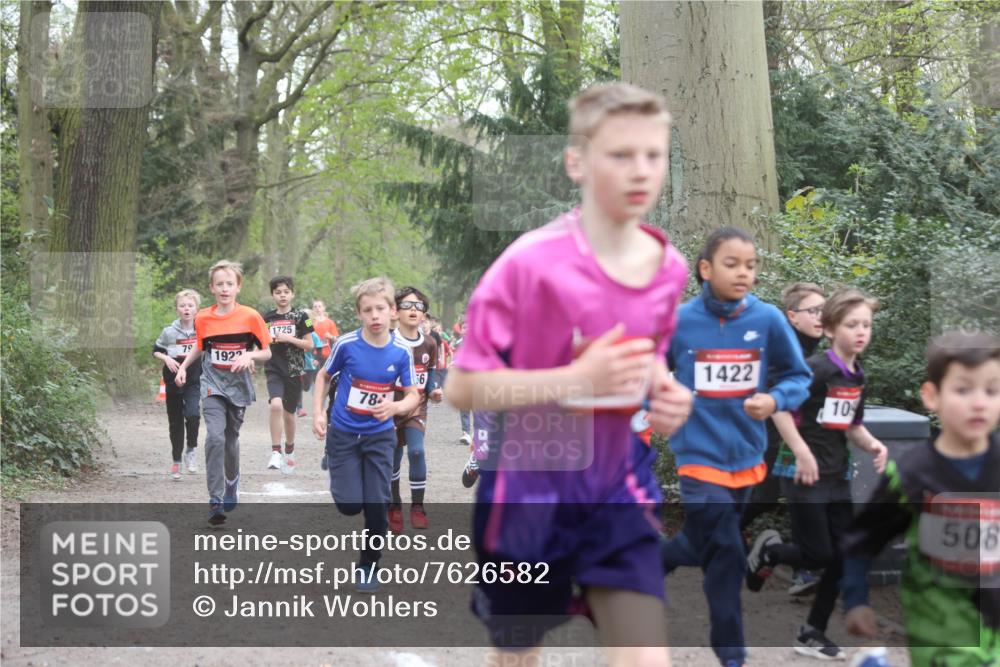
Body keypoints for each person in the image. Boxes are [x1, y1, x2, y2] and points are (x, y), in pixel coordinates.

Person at [445, 82, 692, 666]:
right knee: (517, 654)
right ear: (576, 161)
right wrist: (574, 380)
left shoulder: (668, 266)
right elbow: (462, 388)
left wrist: (665, 390)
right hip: (529, 494)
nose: (640, 170)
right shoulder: (529, 264)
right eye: (620, 154)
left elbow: (647, 356)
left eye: (653, 155)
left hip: (616, 488)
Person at [659, 227, 813, 667]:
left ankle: (644, 561)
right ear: (705, 269)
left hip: (746, 458)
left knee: (700, 544)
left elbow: (797, 376)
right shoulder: (682, 322)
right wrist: (662, 400)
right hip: (697, 457)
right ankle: (732, 654)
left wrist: (775, 399)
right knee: (726, 548)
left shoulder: (766, 320)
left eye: (750, 265)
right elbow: (650, 367)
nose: (744, 272)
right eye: (732, 264)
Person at [841, 331, 1000, 667]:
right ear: (931, 396)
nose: (979, 402)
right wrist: (856, 599)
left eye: (992, 390)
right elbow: (862, 540)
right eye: (963, 389)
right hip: (940, 624)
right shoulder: (911, 475)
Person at [746, 288, 888, 660]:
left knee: (845, 554)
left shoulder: (857, 374)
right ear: (828, 329)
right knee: (818, 553)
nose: (861, 332)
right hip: (801, 471)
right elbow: (778, 408)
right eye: (852, 324)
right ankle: (771, 552)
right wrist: (802, 451)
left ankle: (813, 632)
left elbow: (852, 424)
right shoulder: (816, 368)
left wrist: (873, 444)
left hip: (836, 473)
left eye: (866, 325)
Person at [311, 277, 420, 591]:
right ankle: (334, 460)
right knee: (349, 506)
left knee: (376, 505)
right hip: (343, 434)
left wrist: (395, 407)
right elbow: (323, 376)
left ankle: (368, 566)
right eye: (367, 310)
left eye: (380, 309)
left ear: (393, 312)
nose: (374, 315)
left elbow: (413, 395)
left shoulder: (400, 353)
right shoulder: (347, 345)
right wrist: (319, 413)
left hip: (380, 436)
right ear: (360, 314)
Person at [740, 282, 827, 596]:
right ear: (792, 316)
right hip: (771, 439)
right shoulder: (786, 348)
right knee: (762, 500)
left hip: (797, 441)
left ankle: (803, 569)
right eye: (814, 311)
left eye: (824, 310)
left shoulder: (815, 349)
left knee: (801, 501)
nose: (821, 317)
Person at [175, 260, 271, 525]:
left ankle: (232, 480)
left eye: (230, 284)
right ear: (212, 288)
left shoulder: (251, 316)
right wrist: (183, 366)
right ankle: (215, 500)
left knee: (230, 440)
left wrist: (249, 355)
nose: (225, 288)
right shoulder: (203, 317)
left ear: (238, 287)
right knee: (215, 437)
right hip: (212, 383)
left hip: (238, 386)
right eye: (220, 284)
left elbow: (267, 351)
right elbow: (200, 346)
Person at [388, 287, 443, 532]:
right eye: (407, 306)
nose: (413, 310)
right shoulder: (387, 341)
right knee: (393, 456)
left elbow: (430, 374)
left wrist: (433, 391)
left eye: (419, 307)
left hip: (416, 409)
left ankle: (418, 507)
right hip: (389, 408)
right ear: (395, 311)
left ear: (424, 315)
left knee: (417, 452)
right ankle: (394, 505)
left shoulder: (430, 343)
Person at [261, 276, 314, 474]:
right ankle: (276, 451)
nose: (282, 295)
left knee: (289, 415)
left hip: (294, 370)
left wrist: (289, 339)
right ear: (272, 295)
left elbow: (309, 345)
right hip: (273, 367)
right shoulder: (266, 318)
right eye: (278, 292)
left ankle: (289, 449)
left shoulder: (302, 317)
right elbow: (262, 342)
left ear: (292, 294)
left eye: (286, 292)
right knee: (276, 405)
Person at [153, 289, 202, 480]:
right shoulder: (169, 331)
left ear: (197, 309)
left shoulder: (202, 330)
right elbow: (156, 350)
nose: (186, 309)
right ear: (177, 309)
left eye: (190, 305)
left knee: (193, 414)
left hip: (193, 380)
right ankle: (176, 461)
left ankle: (190, 450)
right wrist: (166, 358)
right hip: (172, 381)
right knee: (175, 422)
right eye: (182, 305)